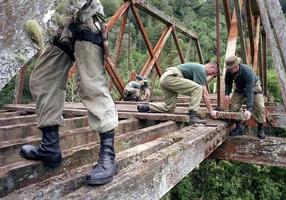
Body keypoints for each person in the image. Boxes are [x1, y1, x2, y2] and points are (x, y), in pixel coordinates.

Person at [18, 0, 119, 185]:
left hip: (86, 19)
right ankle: (50, 148)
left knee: (91, 85)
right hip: (62, 26)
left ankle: (108, 157)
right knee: (42, 79)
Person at [137, 62, 219, 125]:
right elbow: (204, 93)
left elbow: (202, 83)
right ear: (210, 66)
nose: (211, 74)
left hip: (165, 79)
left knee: (169, 107)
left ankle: (146, 107)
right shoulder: (201, 70)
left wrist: (212, 77)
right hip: (171, 77)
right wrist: (211, 111)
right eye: (213, 72)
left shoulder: (199, 69)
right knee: (198, 88)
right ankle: (193, 116)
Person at [224, 55, 266, 139]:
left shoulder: (247, 72)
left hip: (253, 86)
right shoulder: (229, 72)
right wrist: (227, 94)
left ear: (237, 66)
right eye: (228, 69)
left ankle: (260, 129)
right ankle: (239, 128)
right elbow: (228, 83)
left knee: (260, 107)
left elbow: (250, 90)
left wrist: (249, 109)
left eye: (231, 69)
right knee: (233, 107)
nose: (229, 70)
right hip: (240, 87)